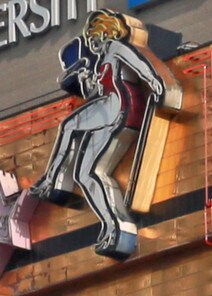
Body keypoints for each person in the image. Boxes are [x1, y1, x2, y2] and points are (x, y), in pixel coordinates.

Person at [30, 11, 169, 260]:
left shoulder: (116, 47)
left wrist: (157, 84)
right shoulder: (103, 57)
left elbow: (140, 64)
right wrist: (85, 81)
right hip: (112, 106)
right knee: (88, 174)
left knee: (69, 126)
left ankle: (54, 180)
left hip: (120, 105)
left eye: (93, 36)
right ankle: (116, 226)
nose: (91, 42)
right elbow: (96, 89)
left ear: (105, 32)